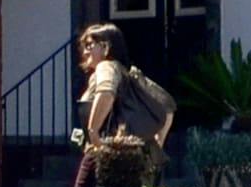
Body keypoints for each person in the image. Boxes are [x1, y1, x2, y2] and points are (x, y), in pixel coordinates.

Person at [75, 23, 177, 177]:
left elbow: (106, 93)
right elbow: (168, 106)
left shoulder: (106, 66)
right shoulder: (127, 73)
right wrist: (158, 141)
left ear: (105, 47)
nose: (85, 50)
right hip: (126, 153)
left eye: (89, 45)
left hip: (102, 153)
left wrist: (93, 132)